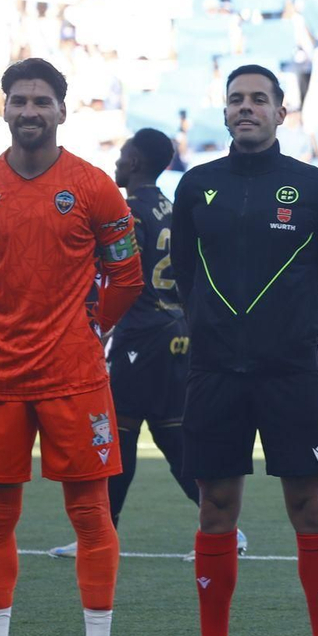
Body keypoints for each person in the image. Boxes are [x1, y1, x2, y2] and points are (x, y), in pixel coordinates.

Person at [0, 58, 144, 636]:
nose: (29, 110)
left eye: (41, 101)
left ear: (63, 110)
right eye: (19, 100)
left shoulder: (92, 187)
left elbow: (127, 276)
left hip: (73, 376)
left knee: (90, 514)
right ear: (4, 109)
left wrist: (91, 329)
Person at [166, 64, 318, 636]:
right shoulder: (197, 186)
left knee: (308, 507)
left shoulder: (312, 186)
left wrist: (309, 327)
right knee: (215, 508)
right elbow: (184, 276)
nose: (246, 108)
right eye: (236, 100)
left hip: (289, 374)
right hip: (215, 373)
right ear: (224, 114)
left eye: (259, 99)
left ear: (283, 113)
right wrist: (211, 329)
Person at [48, 129, 237, 557]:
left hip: (142, 333)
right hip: (176, 330)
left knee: (120, 435)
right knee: (168, 433)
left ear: (134, 161)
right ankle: (224, 525)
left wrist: (99, 330)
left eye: (121, 154)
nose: (116, 161)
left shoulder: (128, 211)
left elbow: (122, 277)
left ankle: (100, 536)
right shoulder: (173, 208)